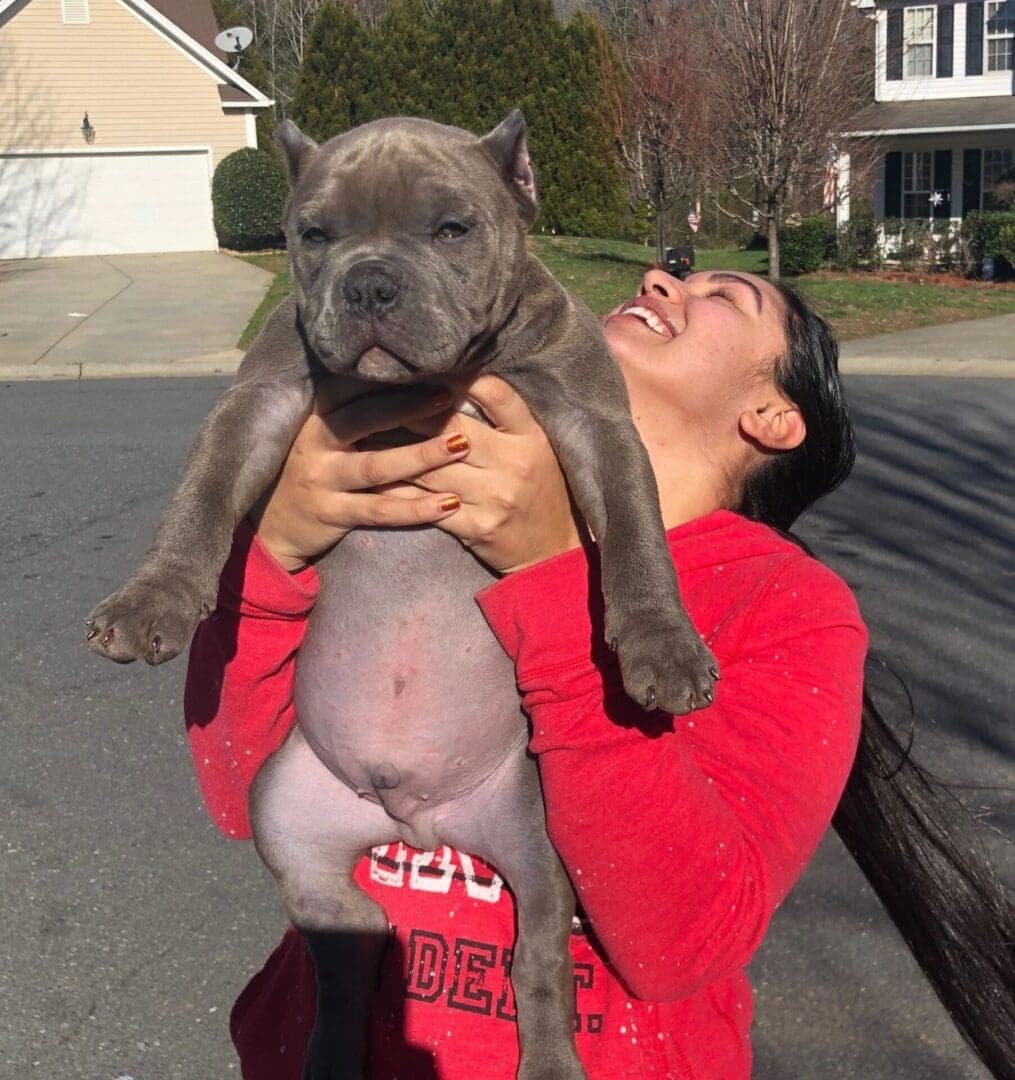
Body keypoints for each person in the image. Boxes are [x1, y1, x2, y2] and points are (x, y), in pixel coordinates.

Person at [183, 268, 1013, 1079]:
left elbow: (680, 940)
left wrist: (549, 571)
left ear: (770, 416)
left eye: (725, 296)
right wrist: (267, 551)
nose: (659, 278)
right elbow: (241, 794)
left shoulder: (780, 601)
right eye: (675, 274)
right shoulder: (416, 496)